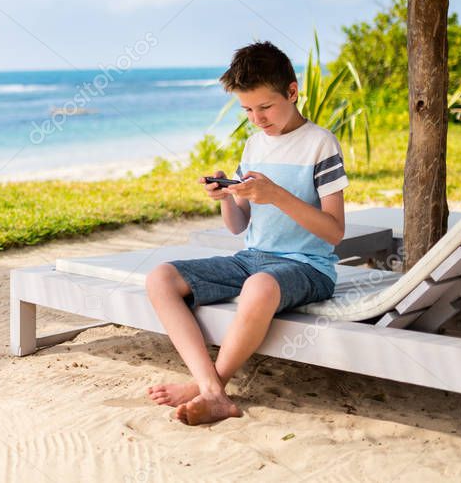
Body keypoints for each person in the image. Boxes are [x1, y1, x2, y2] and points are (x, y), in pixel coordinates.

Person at [145, 41, 348, 426]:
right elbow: (239, 225)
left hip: (308, 267)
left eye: (265, 107)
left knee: (258, 286)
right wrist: (225, 195)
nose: (257, 118)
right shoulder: (254, 143)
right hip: (253, 258)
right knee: (160, 278)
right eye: (247, 109)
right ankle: (209, 385)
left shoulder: (321, 144)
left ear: (292, 91)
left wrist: (277, 195)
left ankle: (212, 387)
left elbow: (335, 232)